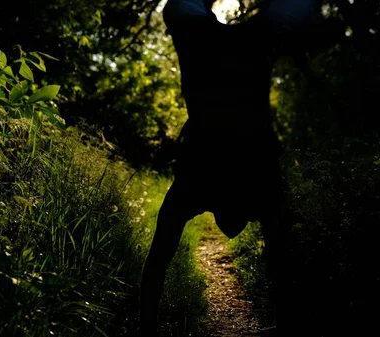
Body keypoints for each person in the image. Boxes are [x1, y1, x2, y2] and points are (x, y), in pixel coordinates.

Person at [139, 0, 323, 335]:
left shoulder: (203, 185)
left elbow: (158, 260)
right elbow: (283, 265)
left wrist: (146, 325)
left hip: (239, 44)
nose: (229, 230)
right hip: (218, 44)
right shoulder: (241, 185)